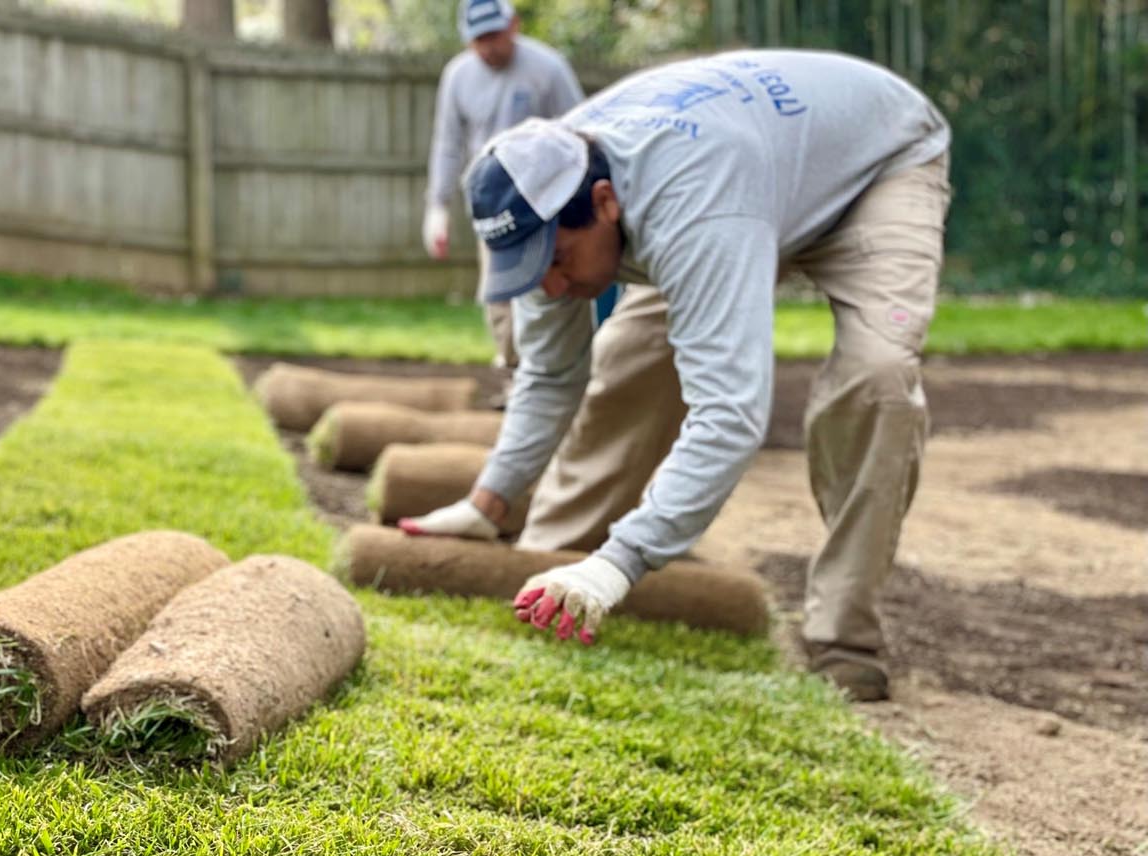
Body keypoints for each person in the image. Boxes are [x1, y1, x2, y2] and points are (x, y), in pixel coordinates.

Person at [401, 48, 952, 702]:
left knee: (877, 378)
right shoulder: (542, 189)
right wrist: (486, 502)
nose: (547, 283)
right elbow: (551, 375)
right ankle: (549, 565)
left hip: (874, 164)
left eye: (555, 259)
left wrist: (623, 562)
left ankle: (842, 634)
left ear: (603, 203)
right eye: (527, 267)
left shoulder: (691, 202)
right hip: (745, 178)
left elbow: (730, 414)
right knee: (629, 363)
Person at [423, 0, 583, 370]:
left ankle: (556, 371)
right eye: (479, 39)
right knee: (501, 292)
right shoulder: (458, 77)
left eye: (494, 35)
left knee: (552, 291)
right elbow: (447, 144)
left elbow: (579, 132)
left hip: (546, 203)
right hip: (492, 206)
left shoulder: (548, 69)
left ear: (513, 25)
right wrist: (437, 208)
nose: (488, 46)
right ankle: (515, 374)